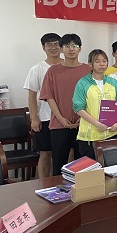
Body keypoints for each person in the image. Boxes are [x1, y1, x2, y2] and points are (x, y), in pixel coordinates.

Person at [39, 33, 90, 175]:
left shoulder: (88, 70)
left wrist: (84, 117)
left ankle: (80, 189)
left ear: (80, 49)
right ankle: (57, 189)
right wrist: (60, 118)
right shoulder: (53, 71)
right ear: (61, 49)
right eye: (67, 46)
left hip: (84, 124)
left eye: (75, 45)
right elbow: (49, 96)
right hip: (59, 124)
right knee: (59, 165)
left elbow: (93, 97)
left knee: (82, 166)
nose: (71, 49)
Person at [23, 32, 62, 178]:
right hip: (45, 117)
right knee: (45, 153)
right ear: (43, 48)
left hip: (67, 118)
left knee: (69, 152)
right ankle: (44, 185)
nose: (53, 48)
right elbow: (32, 96)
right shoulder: (37, 69)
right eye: (49, 45)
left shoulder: (69, 66)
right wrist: (34, 118)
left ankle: (68, 184)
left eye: (56, 44)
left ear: (61, 47)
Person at [73, 49, 117, 159]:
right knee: (93, 167)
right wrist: (97, 124)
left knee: (111, 166)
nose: (102, 64)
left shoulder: (113, 82)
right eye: (97, 61)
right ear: (90, 64)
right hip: (90, 136)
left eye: (104, 61)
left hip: (111, 133)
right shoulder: (83, 83)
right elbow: (78, 108)